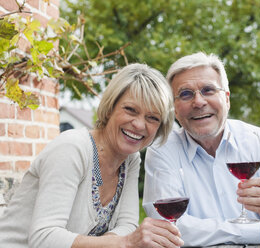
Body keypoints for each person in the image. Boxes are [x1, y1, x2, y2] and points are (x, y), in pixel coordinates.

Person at [0, 63, 184, 248]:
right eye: (130, 110)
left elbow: (127, 225)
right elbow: (44, 238)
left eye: (152, 118)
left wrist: (119, 242)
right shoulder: (72, 148)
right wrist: (124, 243)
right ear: (111, 107)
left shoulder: (130, 159)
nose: (138, 124)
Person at [143, 52, 260, 246]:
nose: (199, 102)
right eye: (185, 94)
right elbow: (168, 228)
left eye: (208, 90)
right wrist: (254, 232)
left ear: (226, 99)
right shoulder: (162, 150)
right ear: (174, 108)